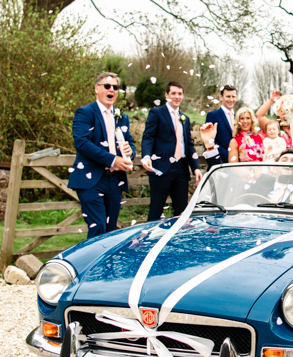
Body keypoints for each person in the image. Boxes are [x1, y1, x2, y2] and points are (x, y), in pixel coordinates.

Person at [67, 72, 136, 239]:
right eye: (107, 86)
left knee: (111, 229)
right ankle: (91, 257)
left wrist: (130, 151)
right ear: (97, 89)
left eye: (115, 87)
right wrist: (112, 160)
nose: (111, 89)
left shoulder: (122, 117)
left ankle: (107, 258)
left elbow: (130, 142)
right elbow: (82, 143)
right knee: (98, 226)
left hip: (115, 180)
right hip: (91, 179)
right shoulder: (85, 113)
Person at [140, 81, 203, 221]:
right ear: (166, 95)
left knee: (182, 212)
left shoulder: (185, 118)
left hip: (181, 169)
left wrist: (196, 168)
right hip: (161, 167)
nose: (177, 96)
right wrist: (146, 156)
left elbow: (189, 145)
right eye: (173, 93)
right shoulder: (156, 113)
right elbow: (148, 137)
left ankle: (179, 234)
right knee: (156, 210)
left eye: (179, 93)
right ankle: (151, 235)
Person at [203, 85, 237, 168]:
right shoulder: (213, 115)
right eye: (228, 96)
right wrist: (231, 156)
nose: (231, 100)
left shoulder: (238, 117)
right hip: (220, 164)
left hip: (237, 166)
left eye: (233, 96)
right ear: (221, 97)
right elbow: (210, 140)